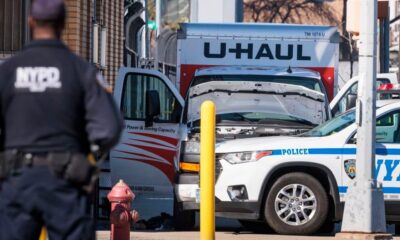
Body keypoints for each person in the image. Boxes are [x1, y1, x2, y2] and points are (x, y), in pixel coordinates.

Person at [0, 0, 123, 239]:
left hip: (17, 182)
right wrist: (88, 157)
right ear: (64, 24)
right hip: (65, 183)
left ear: (31, 22)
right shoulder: (80, 71)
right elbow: (110, 127)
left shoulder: (8, 71)